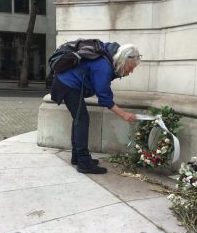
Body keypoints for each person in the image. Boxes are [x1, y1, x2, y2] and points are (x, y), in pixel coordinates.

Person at [51, 42, 142, 174]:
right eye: (130, 67)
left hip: (68, 82)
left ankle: (78, 157)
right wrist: (123, 114)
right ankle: (83, 162)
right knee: (81, 119)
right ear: (122, 61)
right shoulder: (103, 67)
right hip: (68, 83)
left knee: (79, 119)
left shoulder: (110, 57)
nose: (131, 71)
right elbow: (104, 98)